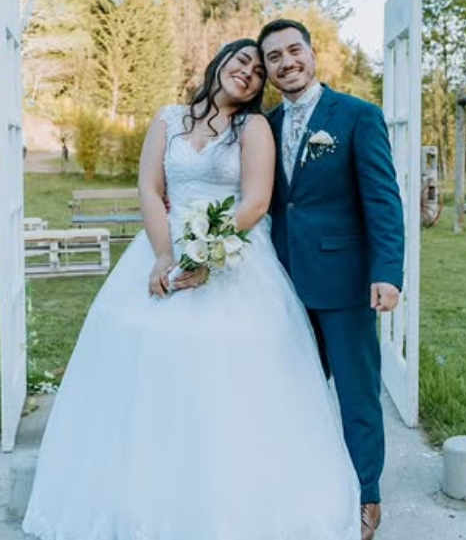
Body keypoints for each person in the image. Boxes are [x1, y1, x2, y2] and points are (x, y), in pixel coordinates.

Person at [22, 38, 361, 540]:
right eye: (241, 61)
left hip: (233, 253)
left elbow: (255, 202)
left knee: (229, 358)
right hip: (162, 243)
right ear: (219, 62)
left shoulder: (253, 128)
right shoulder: (168, 118)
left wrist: (205, 254)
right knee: (138, 345)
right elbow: (150, 189)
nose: (247, 73)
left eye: (257, 72)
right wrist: (165, 254)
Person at [257, 19, 405, 540]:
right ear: (268, 69)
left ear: (313, 53)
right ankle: (304, 486)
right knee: (293, 390)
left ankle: (367, 496)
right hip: (281, 284)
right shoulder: (265, 126)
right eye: (274, 57)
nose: (286, 62)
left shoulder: (357, 116)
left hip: (344, 283)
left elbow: (383, 201)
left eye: (293, 50)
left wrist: (387, 272)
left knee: (357, 394)